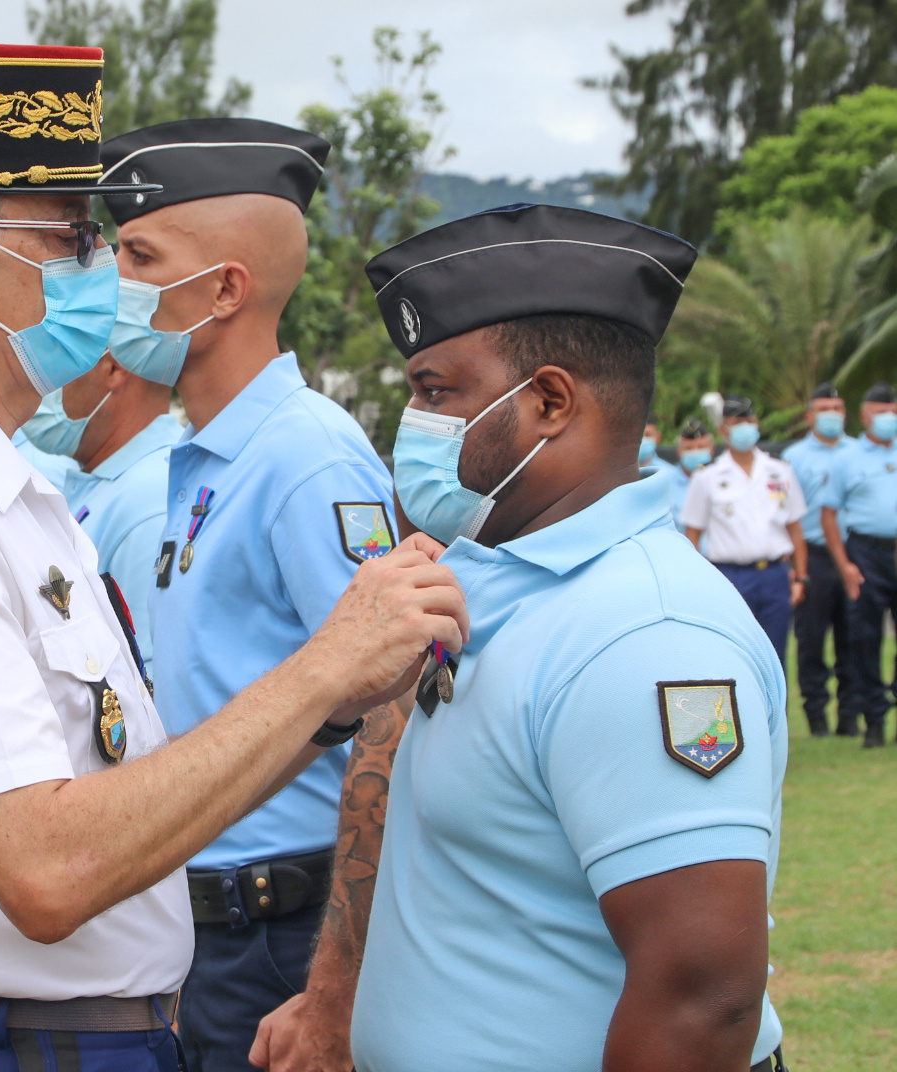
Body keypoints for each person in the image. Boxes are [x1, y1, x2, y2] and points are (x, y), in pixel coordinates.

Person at [0, 36, 466, 1072]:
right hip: (20, 1042)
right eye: (75, 240)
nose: (100, 272)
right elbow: (45, 868)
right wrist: (324, 671)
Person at [254, 204, 788, 1072]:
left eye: (435, 393)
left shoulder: (642, 632)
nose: (411, 425)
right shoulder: (498, 583)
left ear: (546, 402)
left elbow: (701, 997)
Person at [93, 117, 393, 1071]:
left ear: (225, 287)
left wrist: (335, 989)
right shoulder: (205, 454)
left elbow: (395, 720)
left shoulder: (307, 456)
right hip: (200, 923)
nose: (112, 285)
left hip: (281, 929)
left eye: (138, 256)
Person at [16, 355, 178, 672]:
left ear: (115, 369)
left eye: (67, 355)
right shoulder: (111, 480)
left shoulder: (149, 500)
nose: (45, 378)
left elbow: (152, 685)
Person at [681, 395, 807, 662]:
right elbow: (692, 535)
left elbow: (794, 527)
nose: (744, 427)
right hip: (731, 576)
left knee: (776, 655)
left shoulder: (779, 471)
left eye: (748, 420)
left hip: (774, 573)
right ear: (723, 430)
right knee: (734, 656)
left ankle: (777, 706)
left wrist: (800, 577)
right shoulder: (708, 477)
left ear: (756, 423)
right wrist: (702, 583)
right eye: (736, 422)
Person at [821, 381, 897, 747]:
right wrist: (845, 565)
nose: (888, 419)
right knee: (865, 638)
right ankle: (875, 721)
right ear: (865, 416)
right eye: (882, 413)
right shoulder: (847, 459)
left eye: (893, 413)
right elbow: (829, 514)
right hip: (866, 553)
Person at [783, 383, 850, 737]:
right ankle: (817, 718)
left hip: (855, 555)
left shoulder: (858, 452)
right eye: (825, 408)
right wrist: (798, 568)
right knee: (811, 641)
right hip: (813, 556)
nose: (832, 415)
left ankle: (852, 717)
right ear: (810, 416)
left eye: (838, 408)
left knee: (855, 638)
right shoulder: (793, 458)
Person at [673, 417, 714, 533]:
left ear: (712, 449)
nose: (695, 452)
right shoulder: (666, 483)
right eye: (689, 448)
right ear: (679, 451)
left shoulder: (722, 478)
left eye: (701, 447)